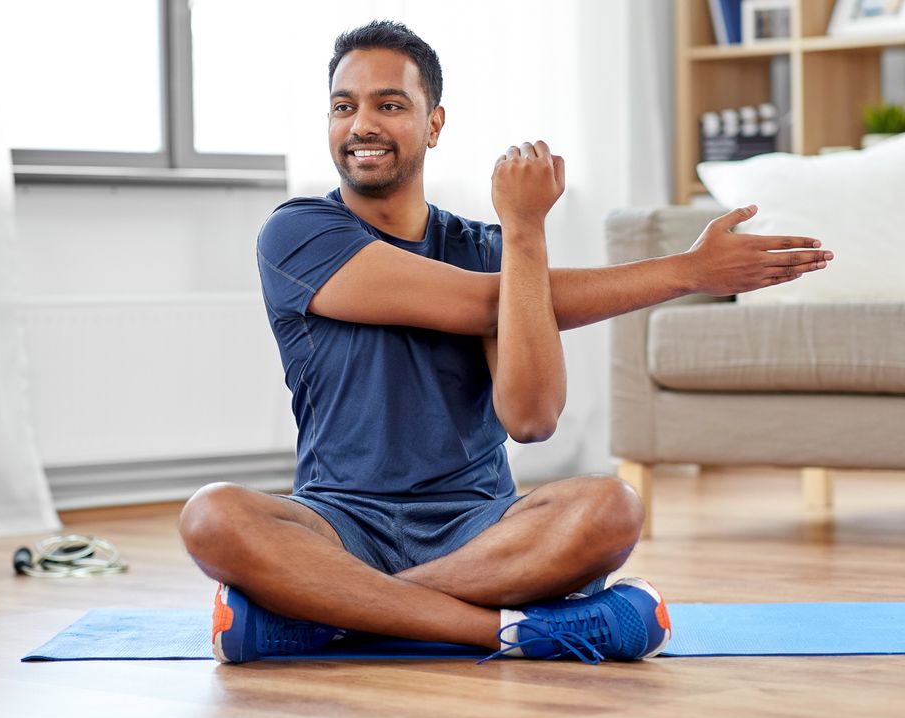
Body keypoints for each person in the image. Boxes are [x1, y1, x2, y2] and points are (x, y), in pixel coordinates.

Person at [179, 20, 831, 664]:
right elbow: (475, 301)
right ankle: (510, 630)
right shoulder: (297, 234)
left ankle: (328, 618)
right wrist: (687, 272)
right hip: (339, 521)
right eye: (343, 107)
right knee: (211, 515)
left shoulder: (491, 250)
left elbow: (533, 419)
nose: (362, 125)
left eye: (390, 105)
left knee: (610, 509)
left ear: (434, 124)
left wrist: (523, 234)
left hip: (479, 529)